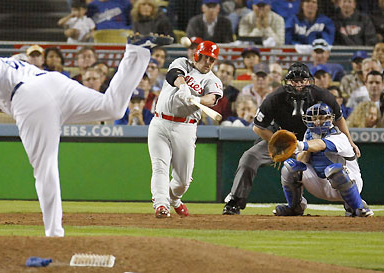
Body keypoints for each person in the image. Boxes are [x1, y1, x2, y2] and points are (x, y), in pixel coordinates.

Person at [0, 35, 172, 236]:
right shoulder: (10, 61)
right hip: (54, 83)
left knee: (45, 167)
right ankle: (136, 52)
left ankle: (54, 234)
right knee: (112, 107)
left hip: (28, 96)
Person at [223, 62, 360, 215]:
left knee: (338, 166)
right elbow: (258, 127)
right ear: (287, 81)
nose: (299, 85)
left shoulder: (322, 95)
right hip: (280, 137)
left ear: (309, 81)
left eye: (302, 80)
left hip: (314, 140)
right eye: (294, 81)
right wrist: (279, 142)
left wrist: (350, 141)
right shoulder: (275, 96)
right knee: (249, 158)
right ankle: (235, 201)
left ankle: (352, 204)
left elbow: (339, 118)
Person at [149, 40, 223, 218]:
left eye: (211, 59)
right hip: (160, 122)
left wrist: (196, 99)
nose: (208, 62)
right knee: (160, 166)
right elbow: (173, 74)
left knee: (182, 181)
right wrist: (182, 86)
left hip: (185, 127)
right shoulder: (183, 62)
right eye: (205, 57)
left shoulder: (213, 79)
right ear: (197, 55)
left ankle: (174, 199)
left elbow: (212, 99)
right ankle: (161, 204)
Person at [273, 103, 374, 217]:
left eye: (321, 118)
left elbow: (321, 144)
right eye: (314, 118)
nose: (317, 122)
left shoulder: (339, 136)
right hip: (320, 183)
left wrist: (300, 145)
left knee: (334, 170)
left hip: (348, 181)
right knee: (290, 166)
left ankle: (357, 206)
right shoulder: (309, 134)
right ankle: (294, 207)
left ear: (330, 119)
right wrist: (301, 151)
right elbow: (302, 160)